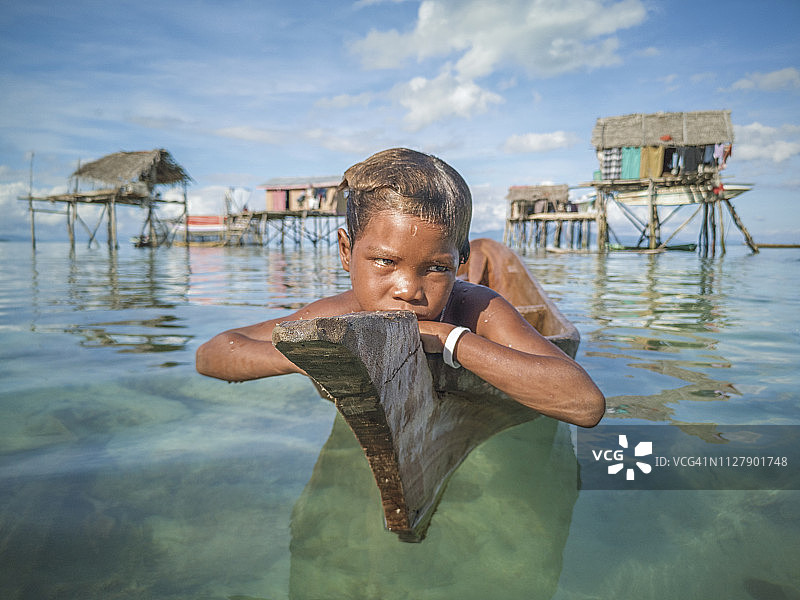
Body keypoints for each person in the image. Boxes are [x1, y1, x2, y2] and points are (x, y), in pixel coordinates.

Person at [196, 148, 604, 427]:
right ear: (345, 251)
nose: (408, 289)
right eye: (384, 262)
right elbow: (211, 354)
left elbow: (585, 403)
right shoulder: (337, 316)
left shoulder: (476, 309)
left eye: (436, 267)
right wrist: (318, 357)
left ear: (461, 264)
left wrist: (447, 337)